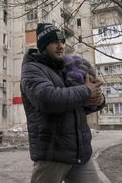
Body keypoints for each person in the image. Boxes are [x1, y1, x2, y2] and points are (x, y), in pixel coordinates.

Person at [21, 23, 105, 183]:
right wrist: (86, 91)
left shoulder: (67, 68)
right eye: (55, 42)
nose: (61, 46)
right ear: (43, 45)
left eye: (62, 41)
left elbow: (76, 104)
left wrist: (98, 98)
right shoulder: (31, 69)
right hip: (53, 154)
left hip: (80, 152)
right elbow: (47, 99)